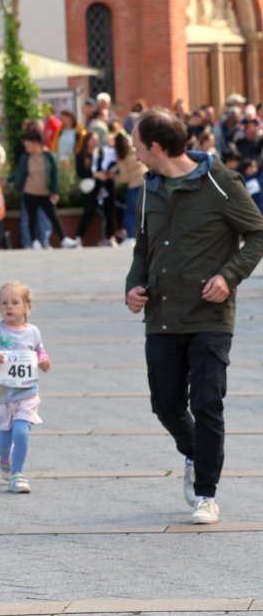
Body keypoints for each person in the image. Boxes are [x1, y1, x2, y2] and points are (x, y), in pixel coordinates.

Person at [126, 107, 263, 525]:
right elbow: (142, 249)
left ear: (155, 146)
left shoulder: (221, 182)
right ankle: (193, 453)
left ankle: (206, 494)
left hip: (209, 316)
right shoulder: (149, 189)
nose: (133, 151)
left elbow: (258, 233)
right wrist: (133, 286)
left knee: (207, 404)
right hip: (162, 316)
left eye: (136, 144)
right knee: (166, 406)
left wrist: (228, 276)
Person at [0, 281, 51, 494]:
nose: (9, 307)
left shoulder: (33, 332)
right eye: (4, 303)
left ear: (27, 307)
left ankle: (17, 474)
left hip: (27, 394)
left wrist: (44, 361)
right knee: (3, 441)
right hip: (2, 396)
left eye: (15, 302)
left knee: (21, 433)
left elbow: (39, 351)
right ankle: (5, 458)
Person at [12, 126, 77, 248]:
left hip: (45, 193)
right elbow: (19, 172)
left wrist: (55, 191)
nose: (26, 149)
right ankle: (34, 241)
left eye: (28, 146)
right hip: (30, 192)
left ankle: (63, 239)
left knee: (53, 216)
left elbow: (55, 175)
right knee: (31, 218)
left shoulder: (49, 156)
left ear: (36, 144)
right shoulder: (26, 157)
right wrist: (9, 180)